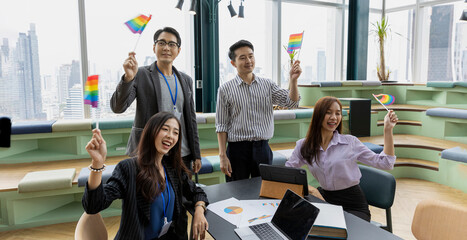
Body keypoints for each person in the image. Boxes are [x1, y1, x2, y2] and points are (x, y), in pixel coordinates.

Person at [82, 112, 209, 240]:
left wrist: (199, 210)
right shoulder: (128, 168)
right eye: (165, 129)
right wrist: (97, 164)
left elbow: (196, 191)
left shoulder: (173, 167)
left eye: (175, 133)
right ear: (151, 131)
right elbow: (93, 206)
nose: (170, 136)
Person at [285, 96, 398, 221]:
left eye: (338, 113)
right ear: (318, 115)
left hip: (353, 204)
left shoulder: (350, 142)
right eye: (328, 112)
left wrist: (388, 130)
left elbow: (386, 163)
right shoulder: (304, 145)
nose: (334, 117)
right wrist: (310, 189)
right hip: (324, 198)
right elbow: (288, 173)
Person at [110, 27, 201, 173]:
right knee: (148, 194)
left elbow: (190, 119)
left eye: (172, 44)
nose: (166, 48)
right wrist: (128, 78)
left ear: (178, 50)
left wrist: (196, 154)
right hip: (149, 151)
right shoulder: (140, 74)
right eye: (162, 43)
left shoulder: (186, 80)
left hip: (180, 152)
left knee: (180, 194)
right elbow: (117, 107)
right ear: (154, 47)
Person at [216, 39, 302, 182]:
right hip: (237, 150)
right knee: (236, 193)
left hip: (263, 148)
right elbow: (221, 125)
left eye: (251, 56)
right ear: (233, 63)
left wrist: (293, 81)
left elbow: (292, 103)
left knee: (264, 192)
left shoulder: (267, 85)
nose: (248, 60)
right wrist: (222, 156)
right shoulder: (225, 89)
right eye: (242, 58)